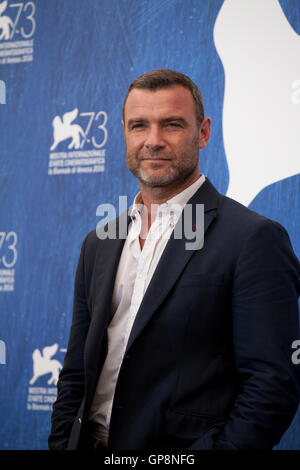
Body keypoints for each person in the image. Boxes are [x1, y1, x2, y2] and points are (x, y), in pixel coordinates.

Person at [48, 69, 300, 451]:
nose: (153, 141)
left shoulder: (253, 239)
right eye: (138, 126)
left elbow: (272, 384)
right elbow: (76, 373)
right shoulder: (99, 243)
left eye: (171, 125)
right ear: (124, 132)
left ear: (203, 133)